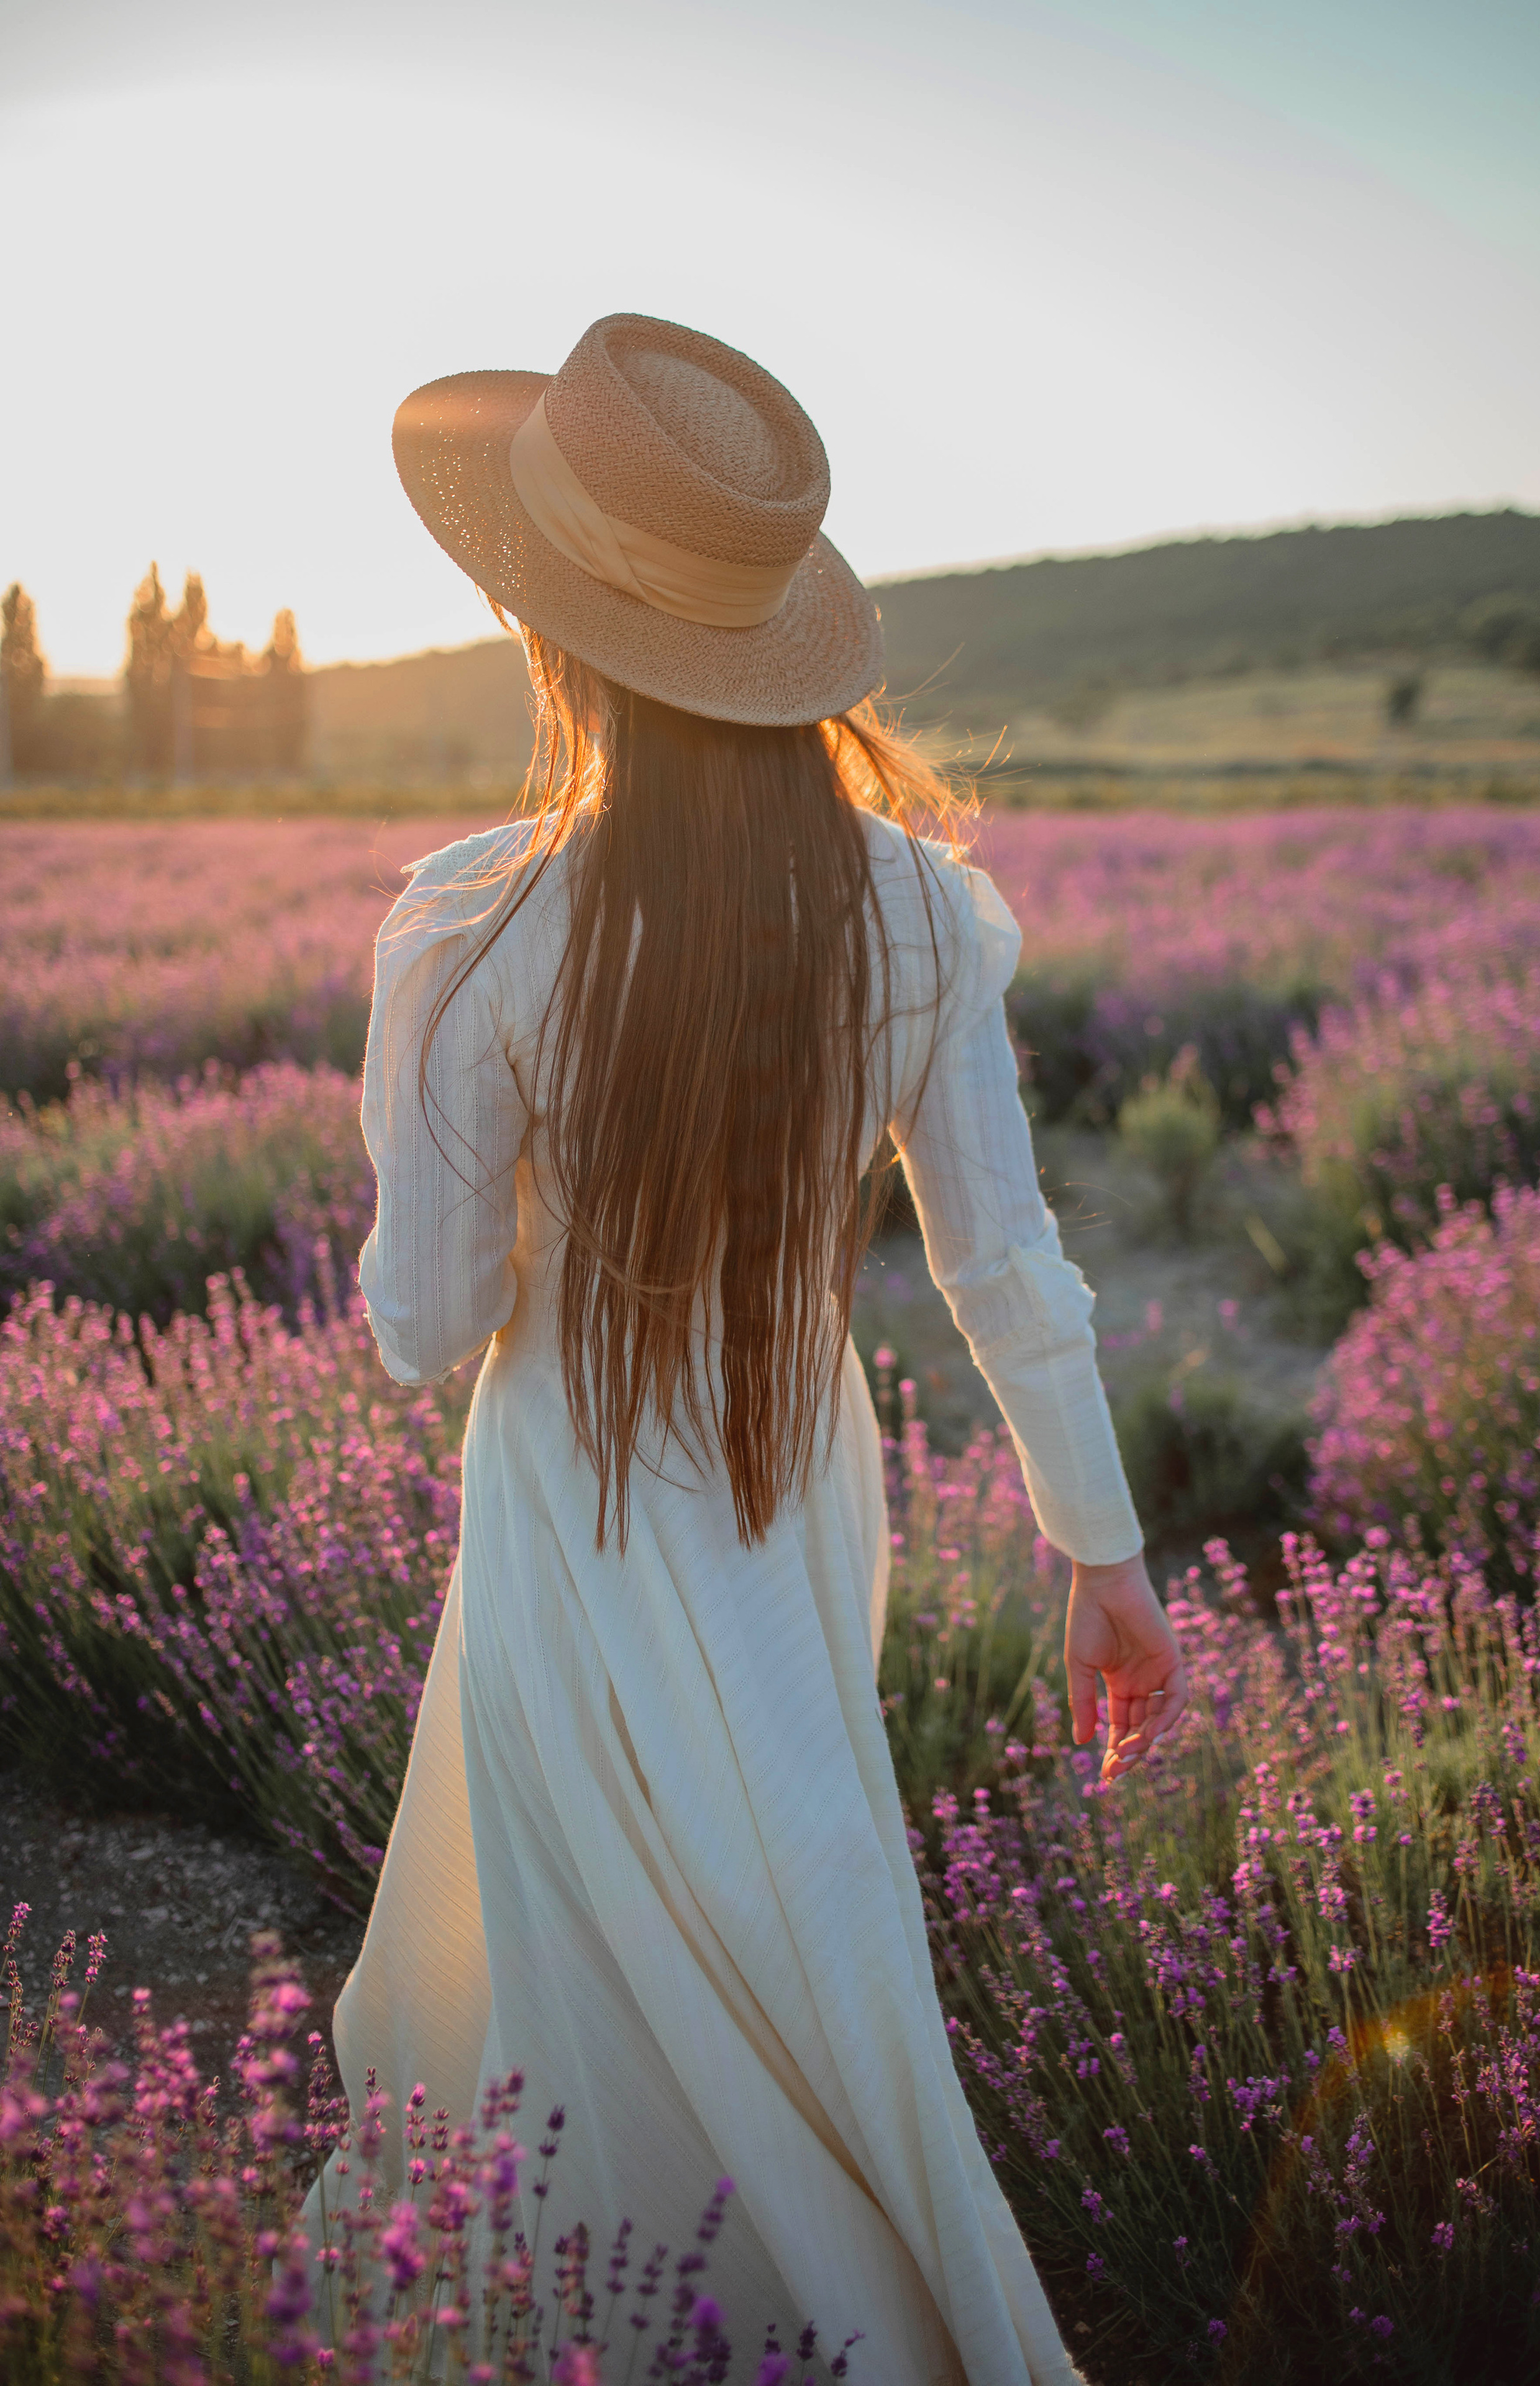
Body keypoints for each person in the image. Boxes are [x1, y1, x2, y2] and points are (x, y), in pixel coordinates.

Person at [322, 313, 1187, 2384]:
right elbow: (1005, 1259)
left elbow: (423, 1333)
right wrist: (1105, 1553)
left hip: (570, 1501)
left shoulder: (474, 930)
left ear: (560, 634)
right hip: (794, 1479)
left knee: (592, 1956)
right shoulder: (922, 913)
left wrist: (415, 1111)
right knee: (797, 1882)